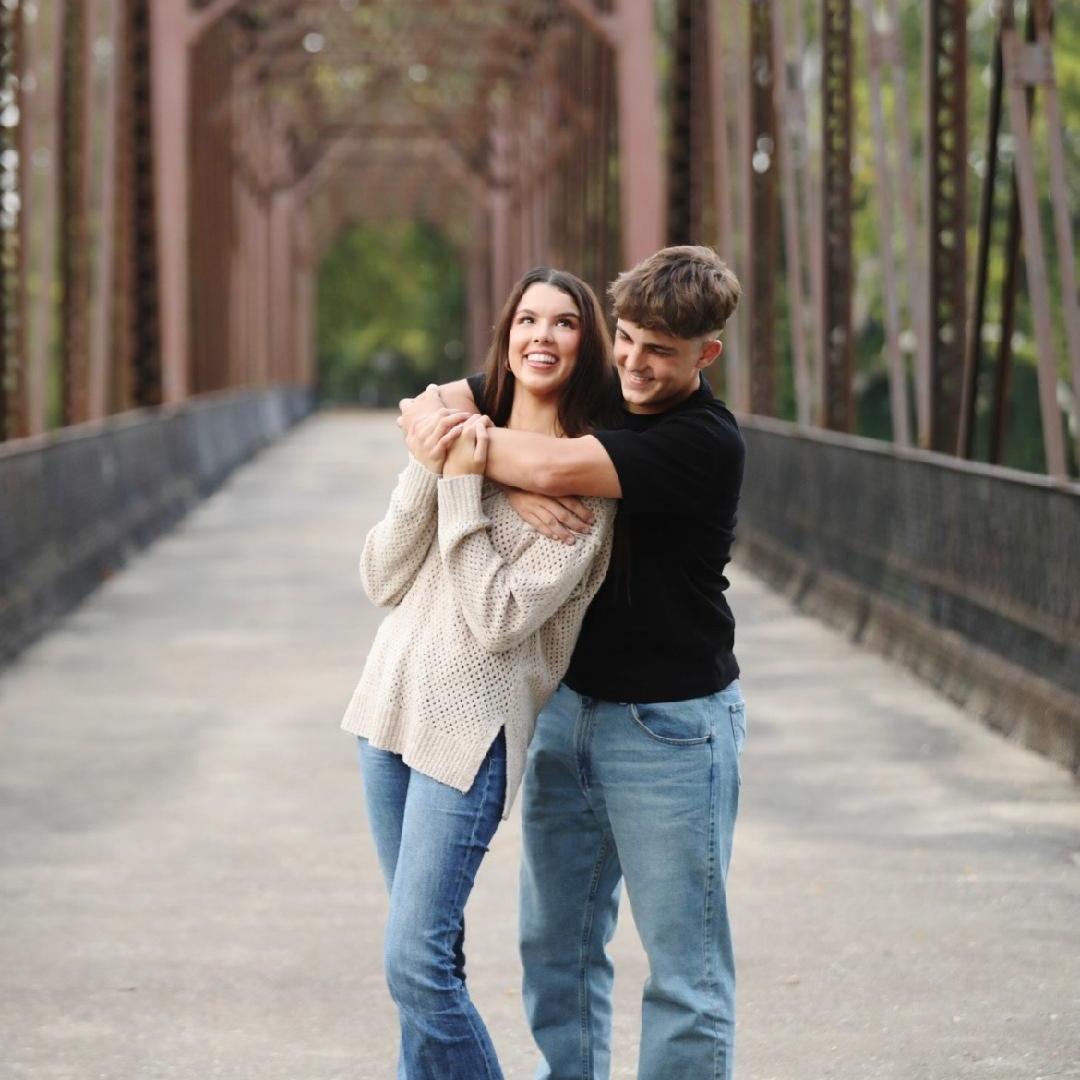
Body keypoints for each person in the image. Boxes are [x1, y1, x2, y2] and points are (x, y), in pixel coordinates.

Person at [401, 245, 746, 1079]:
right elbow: (427, 404)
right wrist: (504, 477)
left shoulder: (704, 440)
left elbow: (555, 462)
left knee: (685, 976)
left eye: (659, 351)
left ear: (707, 353)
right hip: (563, 711)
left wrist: (484, 459)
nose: (634, 363)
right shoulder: (602, 391)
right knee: (556, 954)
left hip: (668, 731)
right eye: (623, 338)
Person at [341, 267, 618, 1080]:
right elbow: (381, 575)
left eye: (564, 322)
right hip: (387, 712)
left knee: (414, 962)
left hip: (469, 738)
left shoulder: (584, 486)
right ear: (505, 336)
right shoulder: (463, 439)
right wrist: (443, 467)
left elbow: (496, 617)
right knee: (428, 962)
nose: (542, 336)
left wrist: (464, 482)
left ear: (585, 345)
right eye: (527, 319)